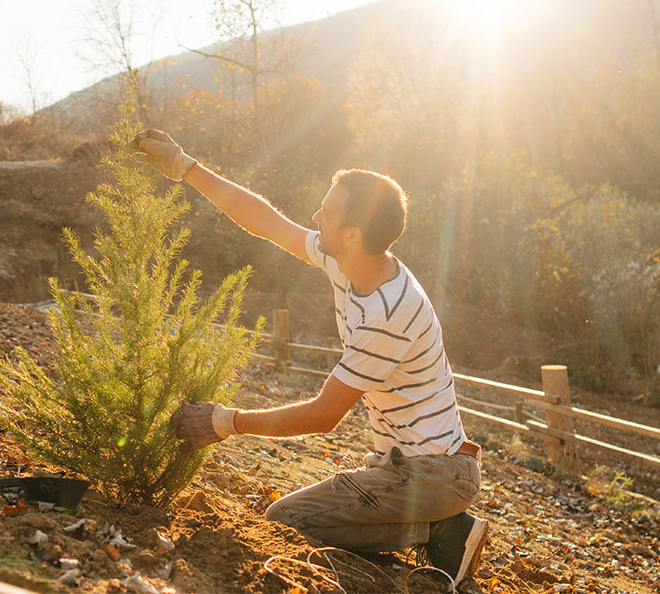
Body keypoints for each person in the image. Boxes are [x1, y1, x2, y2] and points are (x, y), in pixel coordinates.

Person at [133, 129, 490, 592]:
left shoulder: (390, 312)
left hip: (433, 475)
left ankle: (442, 530)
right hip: (412, 466)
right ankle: (436, 527)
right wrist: (185, 167)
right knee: (295, 516)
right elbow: (265, 221)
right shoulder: (348, 261)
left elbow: (324, 415)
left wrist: (226, 422)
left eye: (327, 212)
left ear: (353, 234)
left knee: (288, 518)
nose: (315, 216)